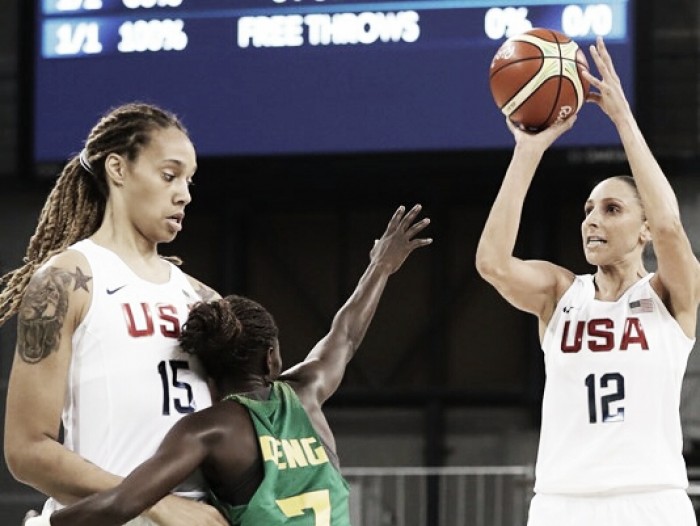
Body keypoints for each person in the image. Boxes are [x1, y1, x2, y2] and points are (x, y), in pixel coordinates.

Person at [21, 203, 432, 526]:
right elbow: (345, 335)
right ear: (271, 356)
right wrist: (380, 266)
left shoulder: (208, 429)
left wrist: (46, 524)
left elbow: (123, 503)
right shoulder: (306, 392)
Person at [475, 37, 698, 526]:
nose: (592, 220)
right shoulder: (560, 293)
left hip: (652, 498)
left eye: (611, 209)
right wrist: (528, 152)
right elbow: (492, 262)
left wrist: (623, 120)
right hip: (563, 500)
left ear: (642, 231)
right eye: (588, 210)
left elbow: (669, 228)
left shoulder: (668, 294)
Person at [2, 103, 228, 526]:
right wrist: (155, 502)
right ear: (118, 169)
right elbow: (26, 449)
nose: (185, 193)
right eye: (169, 175)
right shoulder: (67, 279)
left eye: (189, 180)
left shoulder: (203, 298)